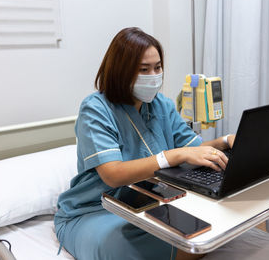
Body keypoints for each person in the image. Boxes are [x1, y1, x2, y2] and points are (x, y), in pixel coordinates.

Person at [54, 27, 235, 260]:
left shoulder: (162, 104)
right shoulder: (96, 109)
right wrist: (172, 156)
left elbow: (193, 150)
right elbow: (113, 174)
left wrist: (225, 140)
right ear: (121, 71)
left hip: (147, 204)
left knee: (210, 226)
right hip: (94, 210)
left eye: (158, 67)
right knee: (118, 246)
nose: (154, 75)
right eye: (143, 69)